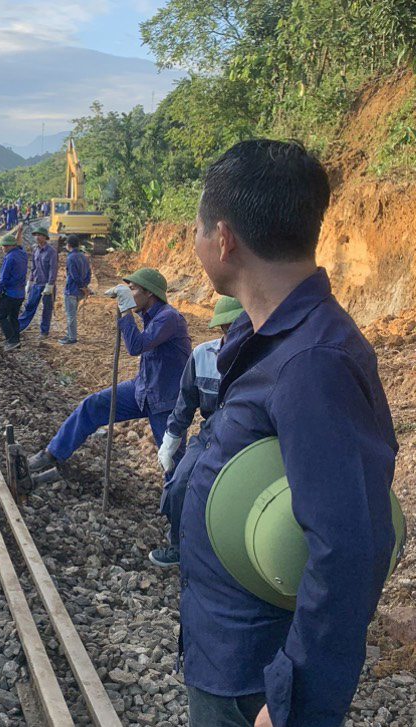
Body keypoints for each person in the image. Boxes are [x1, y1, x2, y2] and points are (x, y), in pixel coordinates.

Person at [179, 140, 398, 727]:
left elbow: (352, 545)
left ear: (223, 239)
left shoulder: (312, 362)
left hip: (256, 681)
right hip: (227, 653)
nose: (196, 241)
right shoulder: (275, 339)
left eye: (197, 229)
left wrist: (292, 696)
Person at [28, 267, 191, 472]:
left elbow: (135, 346)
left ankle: (177, 502)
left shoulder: (169, 317)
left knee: (172, 463)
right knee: (93, 406)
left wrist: (125, 309)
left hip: (166, 401)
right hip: (143, 390)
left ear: (149, 292)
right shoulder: (151, 316)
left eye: (132, 290)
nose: (129, 294)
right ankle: (51, 454)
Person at [148, 295, 243, 569]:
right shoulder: (202, 356)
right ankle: (178, 546)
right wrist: (170, 440)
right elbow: (185, 403)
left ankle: (231, 558)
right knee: (179, 485)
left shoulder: (261, 360)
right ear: (223, 329)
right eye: (229, 327)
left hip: (246, 439)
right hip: (210, 434)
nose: (234, 331)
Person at [17, 228, 57, 338]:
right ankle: (18, 327)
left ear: (44, 237)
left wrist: (50, 284)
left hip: (47, 284)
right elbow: (34, 267)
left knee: (46, 309)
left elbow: (53, 269)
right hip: (36, 283)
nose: (37, 237)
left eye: (39, 235)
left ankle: (44, 331)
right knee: (29, 305)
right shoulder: (36, 250)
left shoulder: (51, 252)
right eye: (36, 235)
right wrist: (30, 280)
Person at [0, 229, 27, 353]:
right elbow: (20, 244)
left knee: (1, 317)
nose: (3, 248)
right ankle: (16, 341)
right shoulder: (22, 254)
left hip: (10, 293)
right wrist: (19, 231)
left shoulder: (9, 258)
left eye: (4, 246)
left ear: (10, 246)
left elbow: (4, 277)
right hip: (20, 293)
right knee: (13, 317)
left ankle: (11, 340)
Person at [59, 235, 91, 345]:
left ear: (68, 245)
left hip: (71, 290)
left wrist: (82, 285)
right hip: (80, 292)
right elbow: (89, 273)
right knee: (72, 314)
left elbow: (73, 275)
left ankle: (72, 337)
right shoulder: (84, 257)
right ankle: (69, 334)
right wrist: (85, 286)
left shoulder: (70, 258)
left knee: (70, 315)